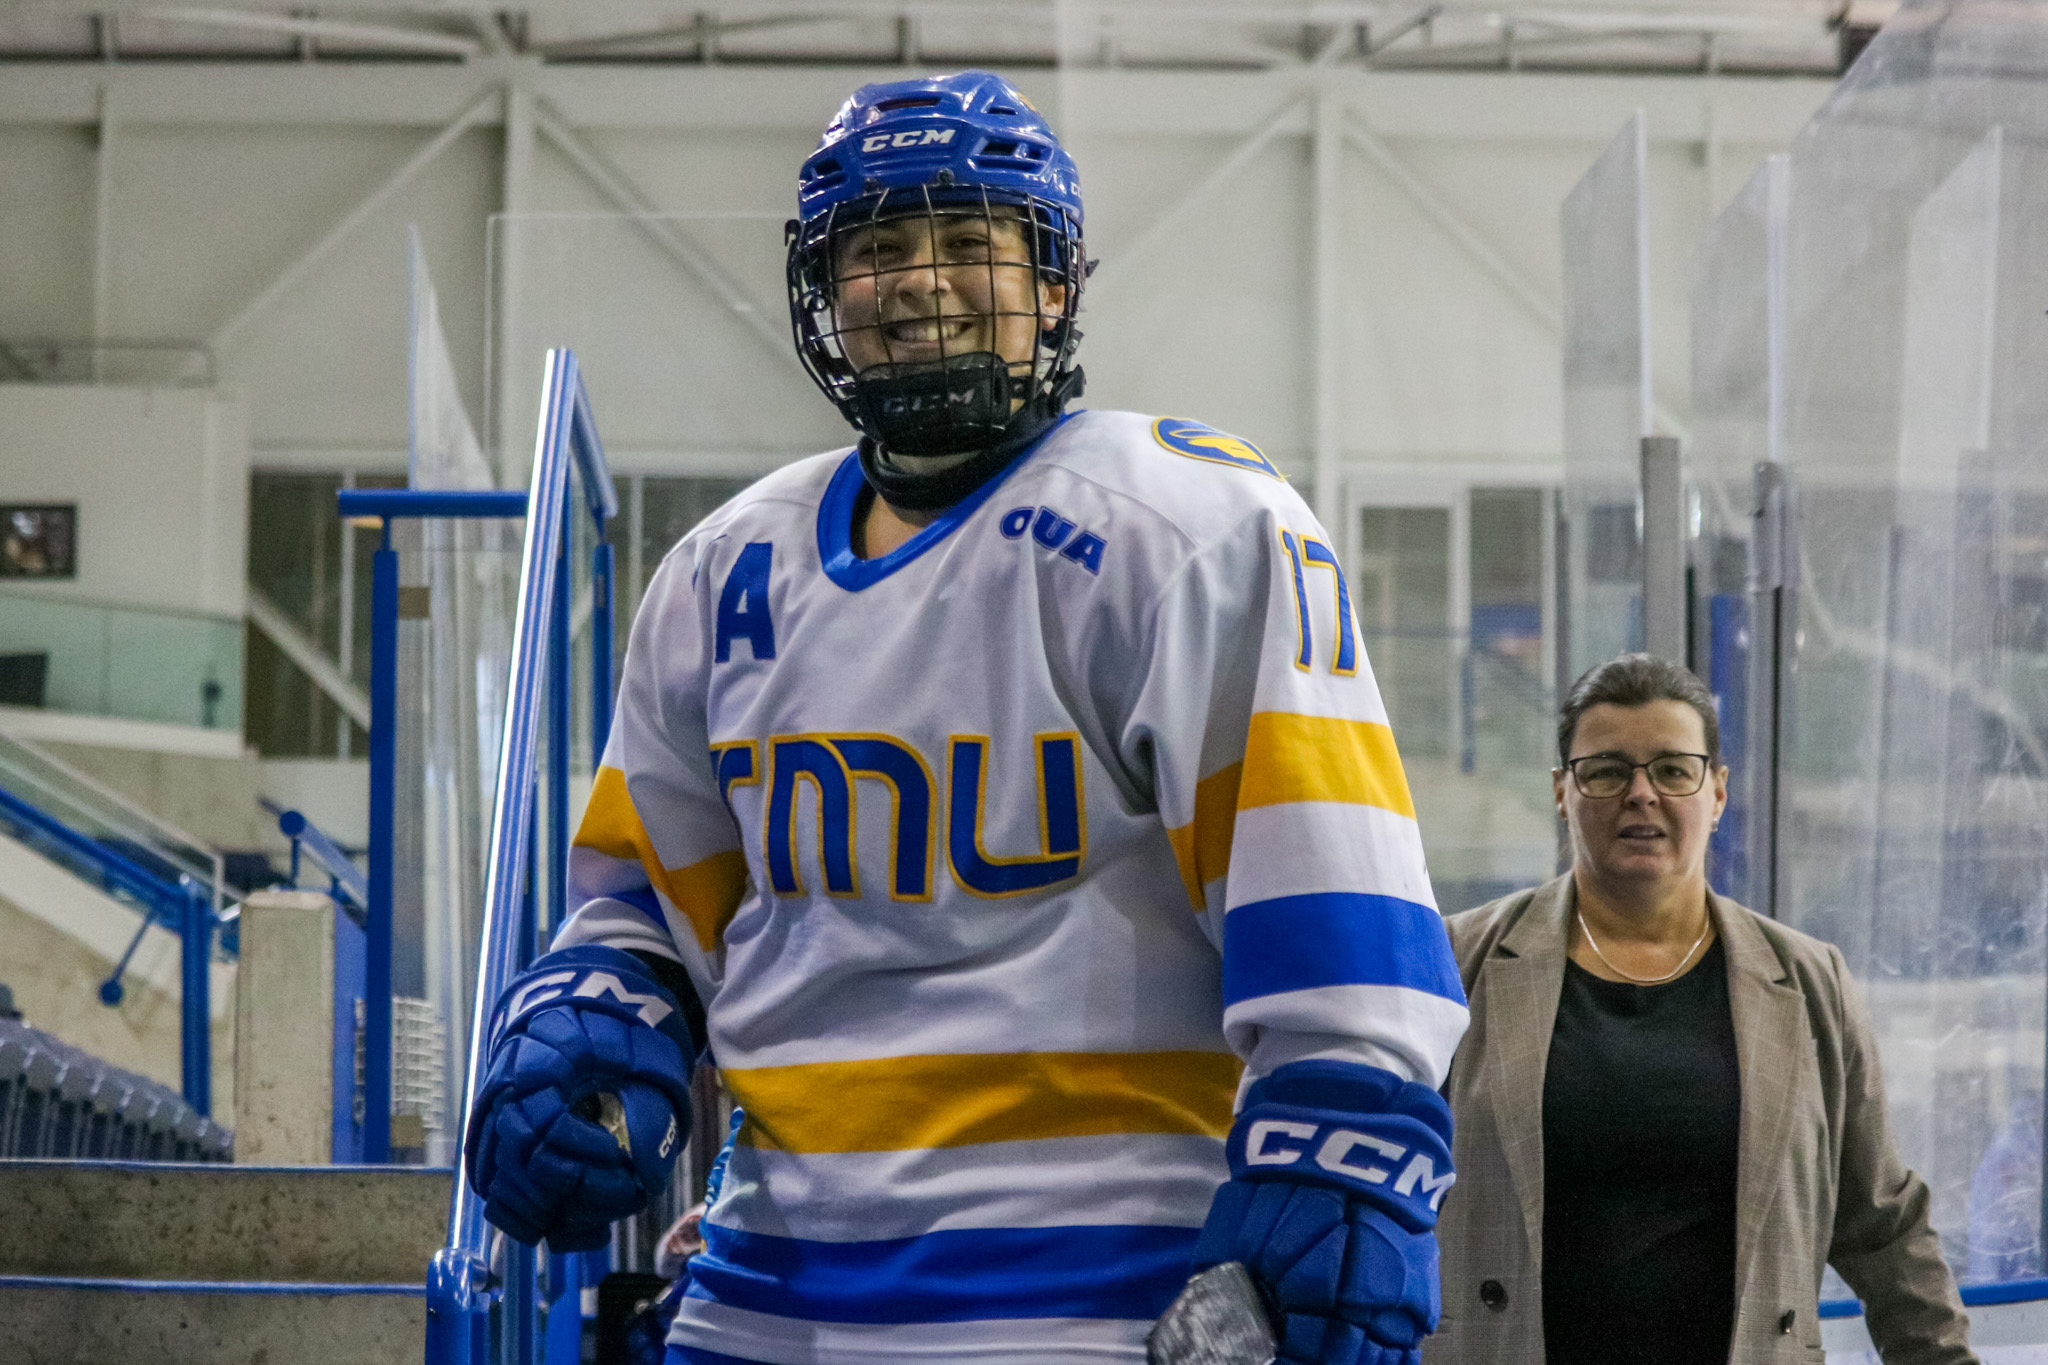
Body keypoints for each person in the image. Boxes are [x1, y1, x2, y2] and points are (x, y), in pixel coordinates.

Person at [459, 69, 1470, 1365]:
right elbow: (644, 906)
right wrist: (594, 1024)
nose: (920, 279)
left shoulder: (1192, 527)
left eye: (968, 242)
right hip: (761, 1295)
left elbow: (1333, 899)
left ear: (1055, 286)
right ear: (829, 296)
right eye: (877, 248)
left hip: (1095, 1302)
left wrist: (1347, 1152)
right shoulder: (724, 571)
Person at [1428, 653, 1976, 1365]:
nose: (1641, 794)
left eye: (1672, 769)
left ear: (1716, 792)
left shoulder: (1811, 983)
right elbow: (1377, 1190)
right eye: (1605, 770)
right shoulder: (1458, 962)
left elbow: (1884, 1225)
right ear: (1563, 791)